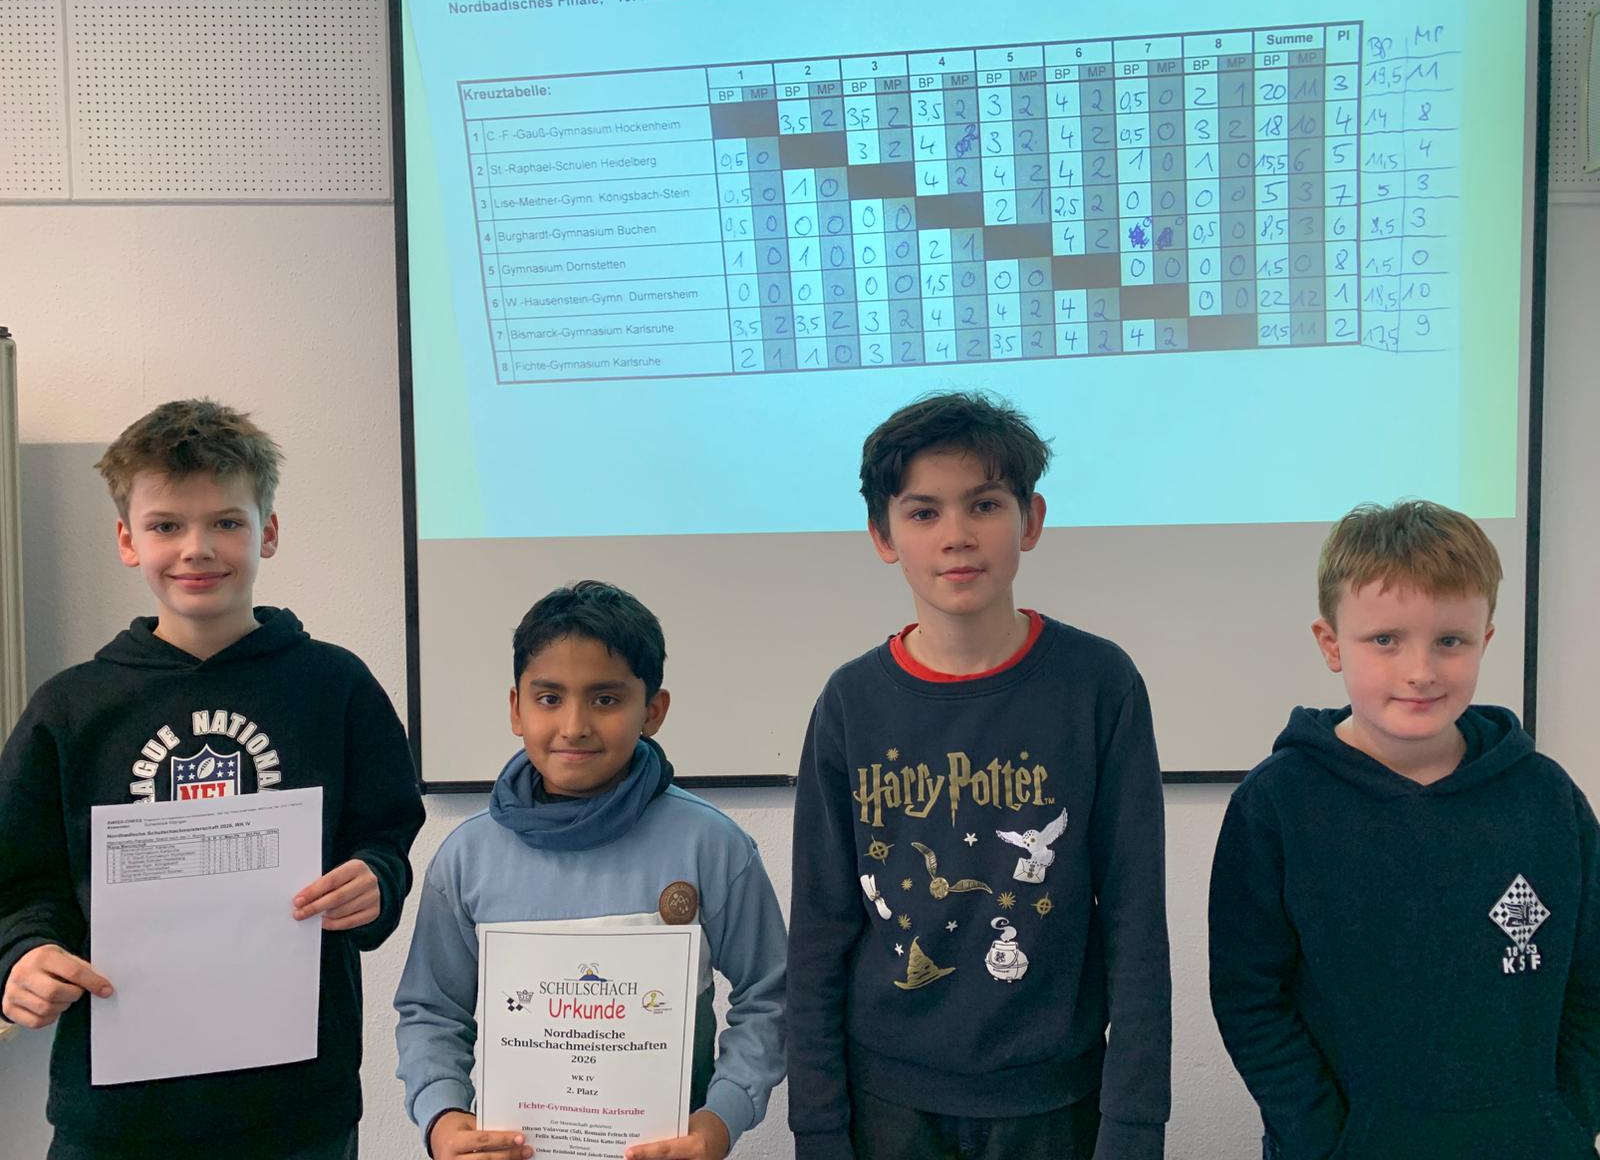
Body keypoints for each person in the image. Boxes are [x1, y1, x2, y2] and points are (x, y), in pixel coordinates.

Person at [0, 398, 425, 1159]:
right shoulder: (70, 709)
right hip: (116, 1118)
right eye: (166, 525)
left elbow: (385, 836)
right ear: (128, 540)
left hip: (296, 1109)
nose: (196, 549)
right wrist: (25, 954)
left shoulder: (335, 687)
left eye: (226, 522)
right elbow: (21, 880)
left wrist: (376, 879)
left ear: (268, 530)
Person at [786, 391, 1171, 1160]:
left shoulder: (1100, 685)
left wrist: (1134, 1124)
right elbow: (820, 932)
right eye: (924, 512)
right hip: (886, 1105)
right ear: (883, 534)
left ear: (1030, 520)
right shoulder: (850, 704)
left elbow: (1136, 921)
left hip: (1054, 1102)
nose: (956, 535)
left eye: (984, 505)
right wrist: (817, 1126)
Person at [1209, 499, 1600, 1159]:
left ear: (1485, 641)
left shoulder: (1547, 798)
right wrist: (1320, 1138)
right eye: (1386, 640)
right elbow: (1250, 996)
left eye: (1450, 641)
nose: (1421, 671)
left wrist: (1566, 1118)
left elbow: (1591, 981)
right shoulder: (1276, 803)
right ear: (1331, 644)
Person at [394, 580, 786, 1160]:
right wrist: (443, 1117)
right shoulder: (467, 858)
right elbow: (431, 1010)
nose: (574, 725)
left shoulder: (712, 846)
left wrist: (719, 1119)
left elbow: (770, 995)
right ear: (516, 708)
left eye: (605, 699)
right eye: (549, 698)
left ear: (653, 711)